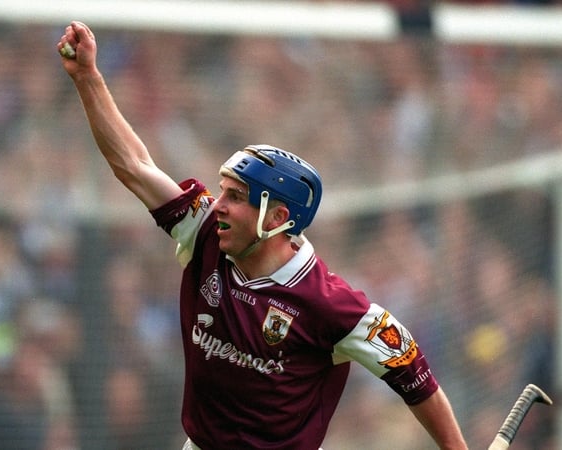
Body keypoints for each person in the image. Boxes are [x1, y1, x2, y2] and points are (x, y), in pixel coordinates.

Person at [57, 21, 467, 450]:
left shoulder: (331, 306)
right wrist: (88, 78)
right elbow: (135, 166)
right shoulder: (206, 232)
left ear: (277, 218)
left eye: (235, 197)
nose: (218, 204)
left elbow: (415, 376)